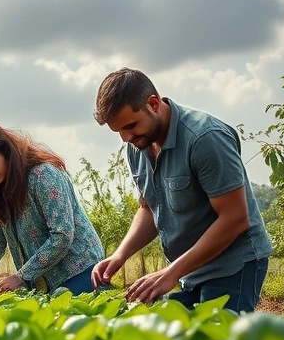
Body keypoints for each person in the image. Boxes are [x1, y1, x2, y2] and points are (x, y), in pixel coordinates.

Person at [91, 68, 273, 312]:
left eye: (130, 126)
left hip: (233, 266)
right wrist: (120, 255)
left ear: (153, 104)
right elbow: (149, 208)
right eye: (119, 131)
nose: (125, 138)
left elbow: (235, 219)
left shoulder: (205, 138)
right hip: (190, 270)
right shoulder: (138, 146)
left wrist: (170, 273)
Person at [0, 121, 105, 295]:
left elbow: (62, 235)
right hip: (41, 280)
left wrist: (21, 276)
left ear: (6, 153)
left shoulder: (43, 175)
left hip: (80, 270)